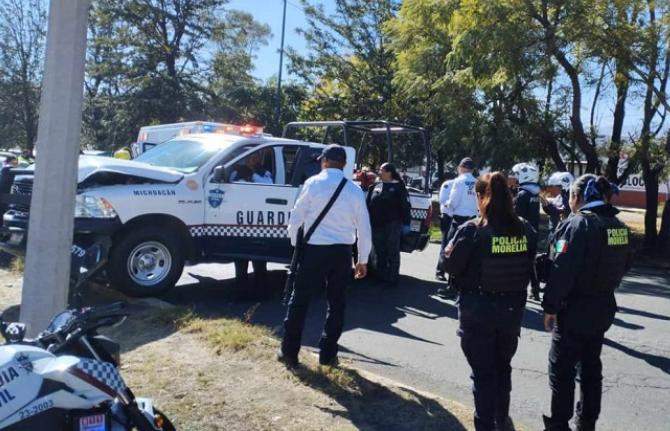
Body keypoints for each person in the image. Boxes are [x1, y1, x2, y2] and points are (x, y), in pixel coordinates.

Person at [443, 172, 537, 431]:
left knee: (483, 374)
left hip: (478, 312)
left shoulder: (472, 230)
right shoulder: (525, 229)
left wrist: (449, 252)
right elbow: (531, 263)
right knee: (502, 368)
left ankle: (486, 425)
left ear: (481, 197)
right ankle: (501, 420)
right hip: (511, 313)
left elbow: (450, 265)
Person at [542, 175, 632, 431]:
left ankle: (559, 424)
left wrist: (550, 307)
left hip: (574, 310)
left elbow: (561, 269)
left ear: (577, 197)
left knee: (562, 370)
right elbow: (626, 263)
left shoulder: (578, 224)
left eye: (571, 196)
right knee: (591, 368)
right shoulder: (618, 226)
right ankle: (587, 422)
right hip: (603, 307)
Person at [279, 144, 372, 367]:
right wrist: (362, 259)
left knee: (300, 300)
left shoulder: (313, 183)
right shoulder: (354, 190)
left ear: (324, 162)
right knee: (336, 303)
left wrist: (295, 244)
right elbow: (364, 227)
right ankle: (328, 355)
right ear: (344, 164)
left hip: (314, 250)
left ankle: (289, 352)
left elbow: (296, 216)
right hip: (341, 253)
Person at [366, 162, 411, 286]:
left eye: (381, 170)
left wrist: (406, 223)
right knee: (379, 250)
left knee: (392, 251)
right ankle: (381, 276)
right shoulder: (375, 186)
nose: (379, 172)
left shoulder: (399, 187)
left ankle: (392, 278)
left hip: (392, 224)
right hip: (376, 224)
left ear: (389, 172)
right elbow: (368, 204)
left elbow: (405, 206)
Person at [439, 157, 479, 298]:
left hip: (459, 221)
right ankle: (462, 286)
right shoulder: (477, 182)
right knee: (468, 255)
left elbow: (453, 202)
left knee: (452, 253)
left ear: (461, 167)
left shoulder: (459, 181)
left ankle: (451, 287)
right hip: (473, 221)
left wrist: (446, 206)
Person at [230, 163, 269, 296]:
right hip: (249, 228)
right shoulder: (239, 178)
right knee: (251, 262)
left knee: (249, 263)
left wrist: (252, 175)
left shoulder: (262, 175)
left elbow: (268, 185)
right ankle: (253, 292)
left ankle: (250, 293)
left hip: (248, 227)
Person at [511, 162, 541, 300]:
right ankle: (535, 289)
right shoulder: (534, 193)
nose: (516, 177)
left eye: (518, 175)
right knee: (530, 262)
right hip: (533, 232)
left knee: (518, 262)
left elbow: (516, 215)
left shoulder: (523, 194)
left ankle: (518, 290)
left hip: (522, 233)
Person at [435, 176, 455, 281]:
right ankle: (440, 271)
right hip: (448, 217)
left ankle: (453, 273)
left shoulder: (467, 185)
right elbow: (443, 201)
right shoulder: (448, 184)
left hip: (460, 217)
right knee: (445, 244)